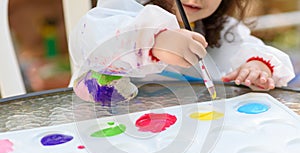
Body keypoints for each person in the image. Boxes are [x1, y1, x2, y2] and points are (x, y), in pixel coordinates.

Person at [69, 0, 295, 103]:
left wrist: (257, 66)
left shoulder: (222, 28)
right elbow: (91, 39)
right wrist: (155, 40)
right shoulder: (126, 12)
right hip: (115, 138)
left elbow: (250, 48)